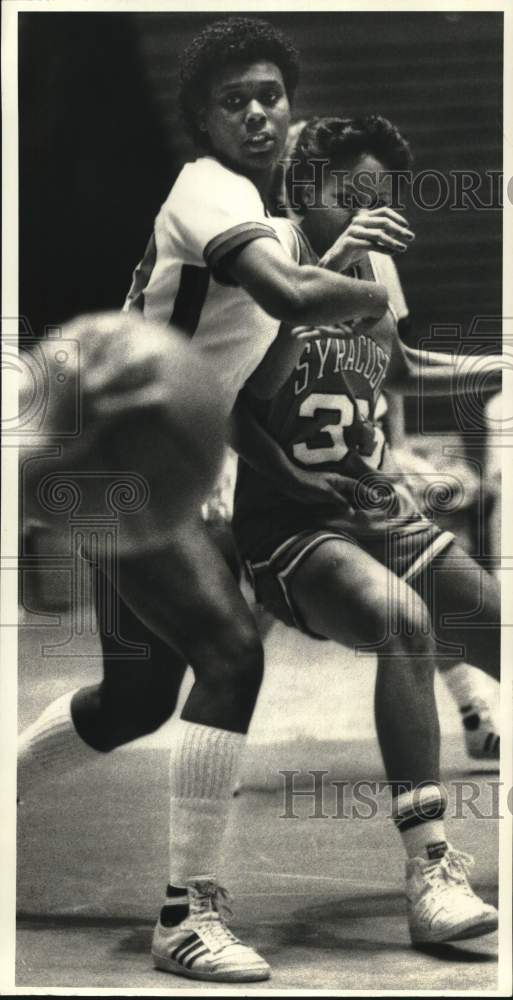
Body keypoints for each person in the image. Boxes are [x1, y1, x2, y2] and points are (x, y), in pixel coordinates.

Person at [18, 19, 396, 982]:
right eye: (234, 100)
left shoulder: (266, 225)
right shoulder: (208, 189)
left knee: (136, 701)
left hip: (143, 465)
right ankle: (187, 916)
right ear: (202, 120)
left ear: (290, 103)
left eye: (270, 93)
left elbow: (241, 386)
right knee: (228, 652)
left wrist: (292, 473)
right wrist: (365, 291)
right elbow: (299, 302)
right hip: (117, 461)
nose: (258, 112)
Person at [231, 115, 501, 944]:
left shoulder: (375, 261)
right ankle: (429, 871)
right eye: (354, 195)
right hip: (291, 527)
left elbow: (404, 367)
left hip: (381, 509)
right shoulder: (260, 258)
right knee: (401, 623)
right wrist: (332, 259)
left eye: (380, 199)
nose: (372, 213)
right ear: (303, 183)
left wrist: (499, 363)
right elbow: (230, 399)